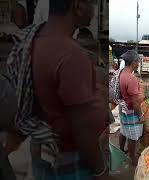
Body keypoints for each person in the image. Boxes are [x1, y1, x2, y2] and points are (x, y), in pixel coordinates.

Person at [6, 0, 109, 180]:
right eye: (91, 4)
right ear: (77, 6)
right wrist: (101, 170)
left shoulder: (36, 41)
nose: (93, 11)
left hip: (46, 151)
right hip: (70, 159)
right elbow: (83, 128)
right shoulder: (71, 55)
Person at [118, 50, 144, 165]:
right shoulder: (131, 78)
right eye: (138, 61)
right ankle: (132, 158)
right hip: (131, 110)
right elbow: (135, 102)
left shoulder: (119, 73)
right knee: (133, 136)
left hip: (122, 107)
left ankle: (122, 150)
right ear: (134, 63)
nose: (138, 63)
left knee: (123, 130)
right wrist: (140, 115)